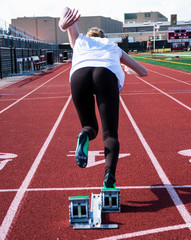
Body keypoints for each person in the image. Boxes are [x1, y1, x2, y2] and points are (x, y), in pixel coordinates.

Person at [59, 8, 148, 188]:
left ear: (89, 35)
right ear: (103, 36)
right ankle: (109, 178)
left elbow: (67, 16)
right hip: (105, 75)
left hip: (79, 75)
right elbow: (144, 72)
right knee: (110, 134)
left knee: (90, 126)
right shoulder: (112, 46)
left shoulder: (80, 41)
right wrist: (132, 72)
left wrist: (63, 25)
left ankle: (84, 134)